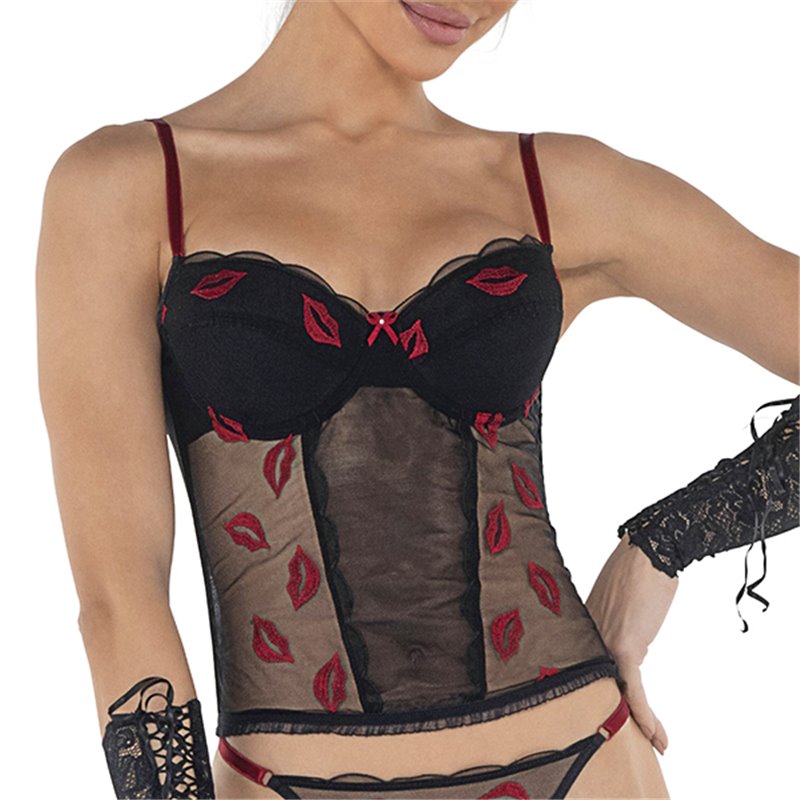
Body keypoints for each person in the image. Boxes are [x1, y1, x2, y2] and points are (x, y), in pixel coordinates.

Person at [36, 2, 798, 798]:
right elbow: (118, 598)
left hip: (585, 761)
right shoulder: (127, 185)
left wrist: (664, 543)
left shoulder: (549, 185)